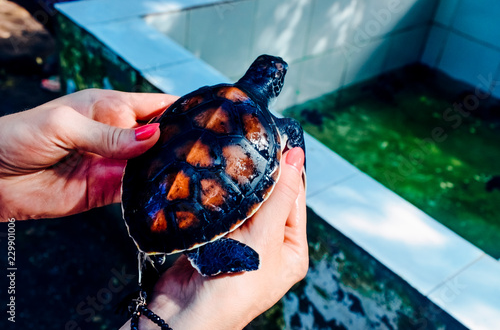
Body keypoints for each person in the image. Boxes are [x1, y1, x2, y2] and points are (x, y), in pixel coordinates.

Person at [0, 89, 308, 329]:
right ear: (274, 86)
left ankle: (193, 255)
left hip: (146, 202)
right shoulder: (274, 126)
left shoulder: (205, 95)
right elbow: (292, 136)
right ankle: (202, 251)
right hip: (183, 210)